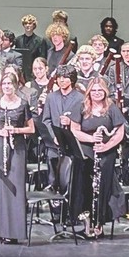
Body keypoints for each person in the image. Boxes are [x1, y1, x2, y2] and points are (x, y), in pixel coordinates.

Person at [71, 77, 126, 239]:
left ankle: (99, 222)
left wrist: (105, 146)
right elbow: (74, 130)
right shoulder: (81, 106)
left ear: (105, 92)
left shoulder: (112, 108)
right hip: (85, 153)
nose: (96, 93)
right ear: (89, 91)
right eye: (93, 90)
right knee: (85, 187)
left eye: (99, 90)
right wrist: (91, 139)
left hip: (105, 154)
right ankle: (87, 221)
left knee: (102, 188)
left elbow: (119, 132)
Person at [0, 71, 33, 244]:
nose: (7, 87)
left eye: (10, 84)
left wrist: (16, 130)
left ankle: (14, 232)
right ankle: (1, 230)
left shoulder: (23, 104)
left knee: (16, 188)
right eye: (4, 84)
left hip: (17, 147)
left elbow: (31, 129)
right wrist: (2, 132)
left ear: (15, 86)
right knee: (0, 188)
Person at [42, 65, 86, 217]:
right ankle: (56, 213)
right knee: (54, 179)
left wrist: (70, 121)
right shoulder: (51, 97)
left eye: (65, 77)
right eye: (59, 77)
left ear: (72, 79)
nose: (61, 80)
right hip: (54, 147)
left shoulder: (81, 98)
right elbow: (46, 120)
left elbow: (83, 121)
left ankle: (71, 213)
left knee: (71, 179)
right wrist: (53, 135)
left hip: (72, 146)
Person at [14, 14, 43, 78]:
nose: (27, 25)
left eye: (30, 23)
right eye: (25, 23)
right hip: (21, 69)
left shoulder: (40, 41)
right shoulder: (18, 39)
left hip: (34, 70)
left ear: (34, 25)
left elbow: (41, 57)